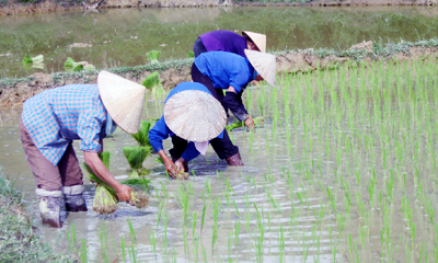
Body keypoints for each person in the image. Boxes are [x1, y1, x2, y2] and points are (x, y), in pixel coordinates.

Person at [20, 71, 146, 228]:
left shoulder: (104, 103)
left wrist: (99, 176)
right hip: (37, 122)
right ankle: (52, 232)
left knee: (73, 180)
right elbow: (90, 159)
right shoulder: (93, 110)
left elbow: (95, 143)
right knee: (51, 186)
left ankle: (79, 227)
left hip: (59, 130)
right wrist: (118, 187)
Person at [149, 81, 243, 176]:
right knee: (179, 147)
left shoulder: (211, 118)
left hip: (204, 99)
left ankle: (240, 174)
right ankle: (180, 174)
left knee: (228, 149)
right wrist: (166, 160)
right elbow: (153, 135)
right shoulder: (173, 115)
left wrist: (183, 159)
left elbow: (199, 145)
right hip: (179, 97)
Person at [191, 49, 276, 129]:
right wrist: (245, 118)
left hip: (213, 73)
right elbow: (229, 99)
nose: (264, 80)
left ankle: (224, 133)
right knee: (215, 106)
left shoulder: (248, 72)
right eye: (265, 76)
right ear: (259, 71)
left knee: (223, 113)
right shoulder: (243, 73)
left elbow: (236, 98)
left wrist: (246, 115)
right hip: (201, 68)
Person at [193, 30, 266, 58]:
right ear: (252, 45)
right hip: (205, 45)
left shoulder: (240, 41)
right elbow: (242, 68)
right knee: (205, 75)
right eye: (256, 51)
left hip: (202, 42)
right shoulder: (243, 47)